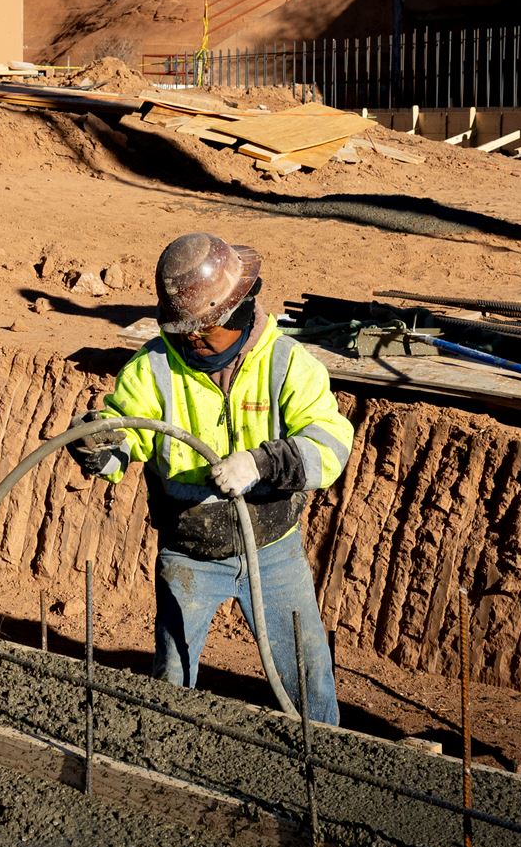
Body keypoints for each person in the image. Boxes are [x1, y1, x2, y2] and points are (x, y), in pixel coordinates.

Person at [71, 232, 356, 723]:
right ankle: (161, 759)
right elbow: (128, 440)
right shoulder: (153, 369)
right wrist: (101, 450)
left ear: (239, 311)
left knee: (309, 678)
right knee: (172, 681)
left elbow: (330, 448)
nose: (194, 341)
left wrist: (263, 463)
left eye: (205, 331)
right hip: (189, 553)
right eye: (186, 332)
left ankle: (327, 765)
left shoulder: (289, 365)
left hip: (272, 549)